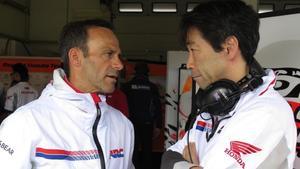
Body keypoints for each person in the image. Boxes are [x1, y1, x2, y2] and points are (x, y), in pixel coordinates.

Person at [161, 1, 297, 169]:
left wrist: (185, 163)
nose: (189, 63)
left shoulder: (265, 113)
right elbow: (169, 157)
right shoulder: (217, 104)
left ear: (228, 48)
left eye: (194, 51)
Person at [0, 19, 135, 169]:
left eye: (118, 56)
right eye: (109, 54)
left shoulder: (122, 125)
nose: (119, 65)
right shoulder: (24, 124)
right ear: (76, 57)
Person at [122, 62, 162, 169]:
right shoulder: (152, 87)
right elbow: (157, 107)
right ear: (147, 73)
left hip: (131, 123)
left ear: (135, 72)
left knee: (132, 150)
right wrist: (158, 125)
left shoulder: (126, 87)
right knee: (147, 151)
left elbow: (122, 107)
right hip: (147, 123)